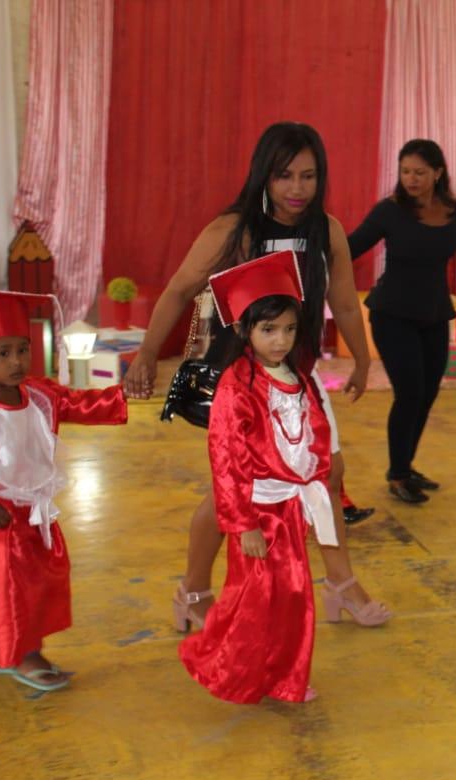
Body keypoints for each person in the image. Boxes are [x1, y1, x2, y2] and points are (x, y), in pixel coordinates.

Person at [122, 122, 391, 631]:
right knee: (233, 492)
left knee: (327, 474)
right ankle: (192, 591)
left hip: (299, 377)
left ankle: (341, 584)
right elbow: (180, 290)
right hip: (244, 382)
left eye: (308, 176)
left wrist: (360, 359)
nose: (297, 188)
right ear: (263, 176)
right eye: (284, 175)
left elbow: (343, 304)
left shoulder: (326, 229)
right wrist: (145, 354)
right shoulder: (234, 229)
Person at [0, 291, 127, 692]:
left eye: (22, 350)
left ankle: (5, 650)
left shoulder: (38, 393)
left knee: (36, 583)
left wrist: (121, 395)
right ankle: (20, 656)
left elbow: (78, 403)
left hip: (34, 509)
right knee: (6, 586)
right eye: (3, 353)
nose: (16, 362)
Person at [180, 253, 333, 704]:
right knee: (252, 597)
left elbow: (314, 434)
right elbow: (226, 457)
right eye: (269, 330)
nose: (281, 340)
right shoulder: (237, 384)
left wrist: (315, 485)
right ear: (246, 330)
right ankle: (230, 667)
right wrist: (242, 521)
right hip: (257, 512)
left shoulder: (297, 377)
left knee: (292, 596)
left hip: (290, 508)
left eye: (289, 328)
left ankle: (285, 676)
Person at [349, 139, 456, 503]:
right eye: (405, 172)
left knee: (427, 395)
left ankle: (405, 465)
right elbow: (350, 247)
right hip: (392, 315)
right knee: (410, 393)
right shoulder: (390, 211)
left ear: (437, 173)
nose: (411, 179)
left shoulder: (453, 212)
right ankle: (398, 475)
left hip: (432, 315)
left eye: (419, 172)